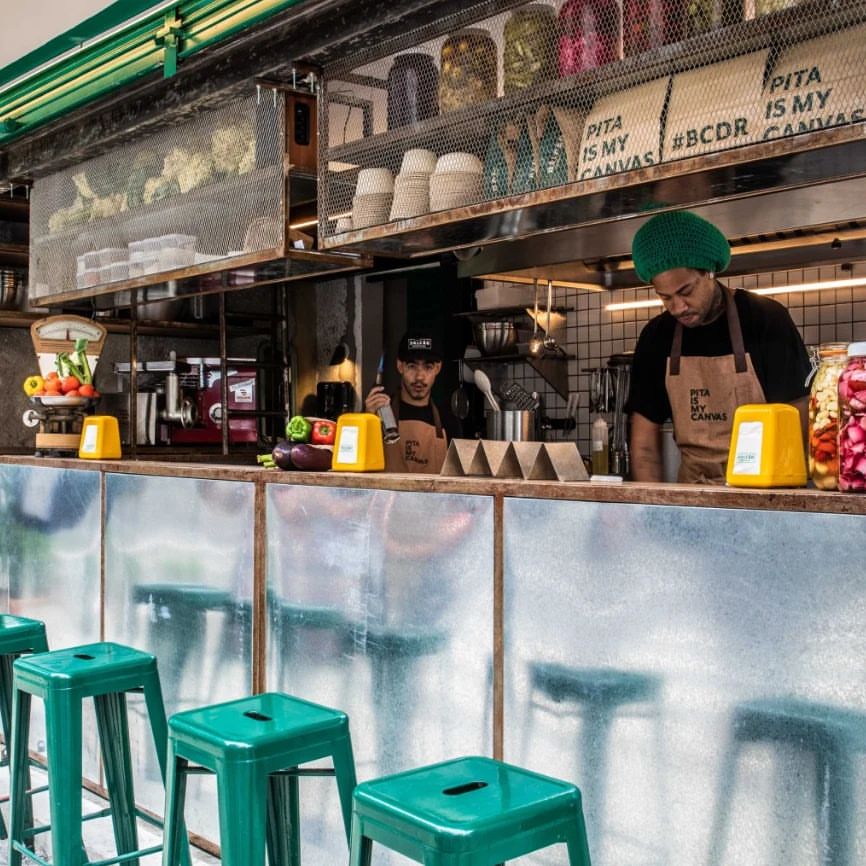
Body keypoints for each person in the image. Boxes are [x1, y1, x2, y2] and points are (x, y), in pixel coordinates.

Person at [626, 210, 811, 484]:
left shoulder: (765, 319)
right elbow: (644, 448)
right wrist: (650, 513)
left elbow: (801, 422)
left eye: (686, 291)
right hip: (694, 499)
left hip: (765, 498)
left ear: (710, 271)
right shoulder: (657, 337)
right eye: (665, 297)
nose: (677, 308)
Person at [364, 330, 461, 473]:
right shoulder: (379, 413)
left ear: (438, 368)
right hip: (387, 496)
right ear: (400, 366)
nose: (420, 377)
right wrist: (367, 420)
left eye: (428, 367)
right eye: (412, 366)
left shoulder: (449, 422)